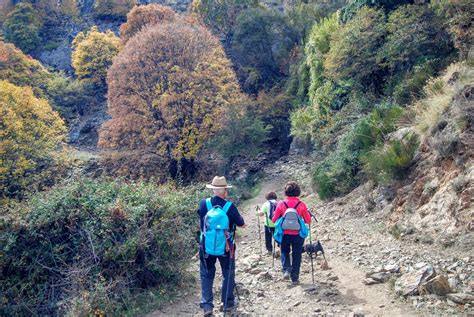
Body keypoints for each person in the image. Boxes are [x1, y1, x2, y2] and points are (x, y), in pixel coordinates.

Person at [198, 176, 245, 316]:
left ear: (213, 190)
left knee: (206, 274)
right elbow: (241, 224)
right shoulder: (229, 207)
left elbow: (201, 221)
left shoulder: (203, 204)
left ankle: (207, 306)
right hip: (226, 247)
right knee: (227, 273)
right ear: (225, 190)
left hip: (206, 246)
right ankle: (227, 304)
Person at [272, 181, 311, 285]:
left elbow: (274, 220)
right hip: (298, 235)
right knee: (297, 255)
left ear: (285, 192)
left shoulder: (281, 203)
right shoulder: (301, 204)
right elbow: (308, 221)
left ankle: (286, 270)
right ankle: (295, 278)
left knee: (284, 251)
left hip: (284, 233)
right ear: (298, 191)